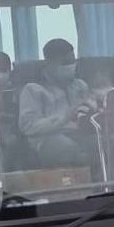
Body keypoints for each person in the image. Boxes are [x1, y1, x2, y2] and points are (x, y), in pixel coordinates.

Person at [18, 38, 95, 166]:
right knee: (71, 150)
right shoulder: (33, 89)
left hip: (78, 133)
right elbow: (27, 126)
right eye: (65, 62)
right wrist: (64, 118)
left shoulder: (80, 85)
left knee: (106, 144)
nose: (71, 66)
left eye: (73, 61)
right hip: (47, 138)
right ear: (49, 63)